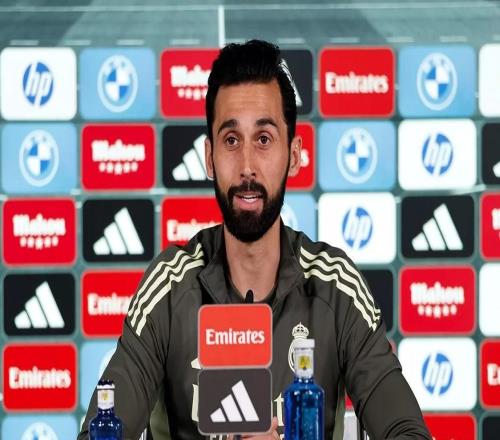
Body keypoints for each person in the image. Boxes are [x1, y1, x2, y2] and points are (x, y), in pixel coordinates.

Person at [79, 40, 431, 440]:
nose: (247, 166)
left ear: (293, 155)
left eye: (263, 139)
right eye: (232, 140)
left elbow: (408, 433)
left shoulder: (335, 285)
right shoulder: (170, 286)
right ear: (209, 157)